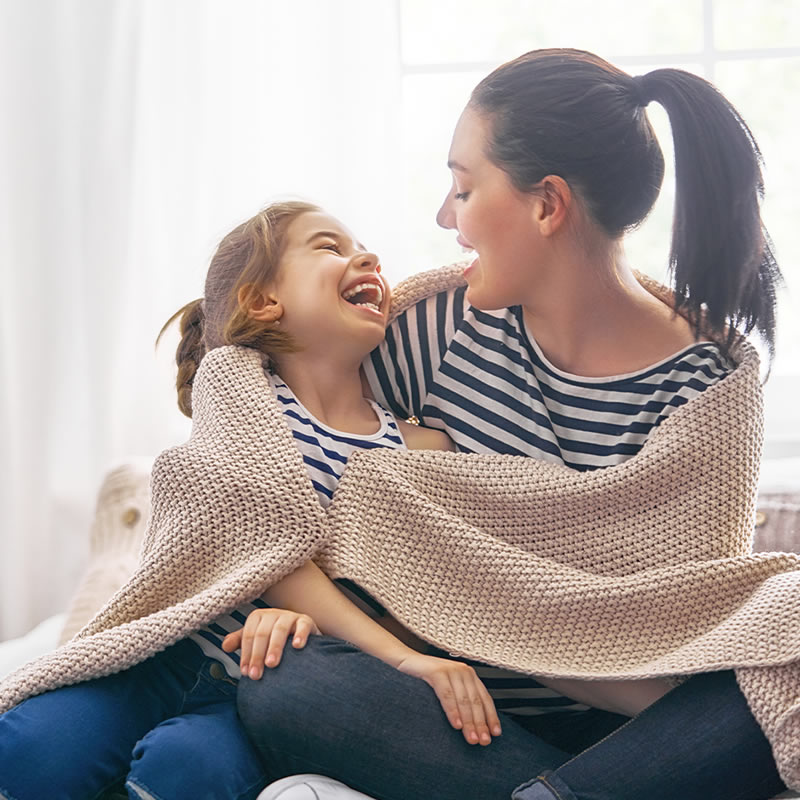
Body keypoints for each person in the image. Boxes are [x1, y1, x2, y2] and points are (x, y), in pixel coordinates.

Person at [235, 49, 787, 800]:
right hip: (456, 717)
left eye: (463, 188)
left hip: (633, 732)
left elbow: (680, 635)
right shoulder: (434, 329)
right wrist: (283, 599)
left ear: (546, 205)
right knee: (288, 686)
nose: (443, 217)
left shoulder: (710, 385)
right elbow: (277, 453)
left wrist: (522, 617)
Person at [0, 201, 512, 800]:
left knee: (186, 770)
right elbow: (258, 535)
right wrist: (394, 655)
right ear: (264, 302)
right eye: (329, 247)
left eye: (362, 248)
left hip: (263, 687)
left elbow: (426, 591)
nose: (365, 258)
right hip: (169, 656)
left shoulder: (422, 448)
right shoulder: (238, 388)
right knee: (30, 747)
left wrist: (356, 646)